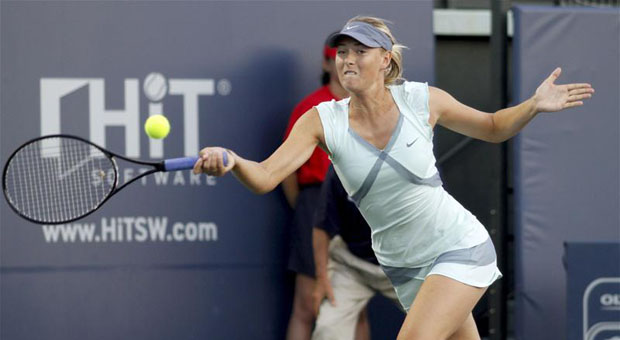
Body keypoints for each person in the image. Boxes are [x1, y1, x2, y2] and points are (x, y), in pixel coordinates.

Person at [193, 15, 594, 340]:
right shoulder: (320, 121)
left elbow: (491, 126)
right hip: (405, 269)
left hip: (456, 247)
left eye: (360, 51)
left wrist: (534, 105)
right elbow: (265, 176)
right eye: (342, 51)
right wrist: (231, 159)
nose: (347, 59)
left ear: (385, 59)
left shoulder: (423, 100)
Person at [280, 34, 364, 340]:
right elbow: (286, 171)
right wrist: (308, 209)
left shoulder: (368, 106)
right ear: (326, 63)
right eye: (337, 56)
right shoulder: (310, 108)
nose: (344, 63)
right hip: (314, 204)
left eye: (352, 56)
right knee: (307, 303)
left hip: (359, 207)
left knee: (355, 304)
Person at [312, 166, 402, 340]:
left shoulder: (408, 159)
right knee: (328, 330)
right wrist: (321, 277)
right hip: (351, 264)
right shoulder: (341, 164)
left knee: (444, 321)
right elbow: (322, 227)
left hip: (403, 265)